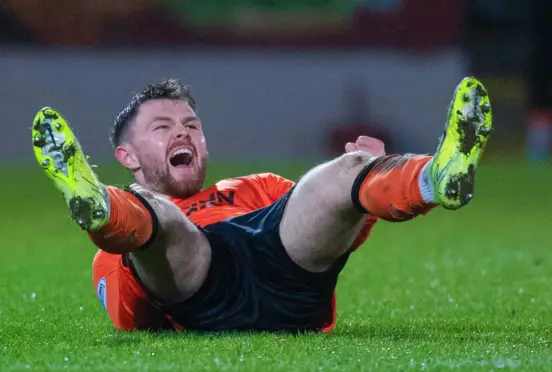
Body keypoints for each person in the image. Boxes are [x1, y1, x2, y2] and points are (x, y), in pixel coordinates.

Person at [31, 76, 493, 332]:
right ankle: (97, 206)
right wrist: (134, 253)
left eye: (192, 125)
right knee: (159, 215)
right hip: (203, 293)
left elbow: (331, 236)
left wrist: (362, 194)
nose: (183, 133)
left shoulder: (258, 186)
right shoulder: (125, 242)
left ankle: (438, 178)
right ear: (127, 156)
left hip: (289, 280)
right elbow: (134, 324)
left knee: (343, 170)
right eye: (162, 128)